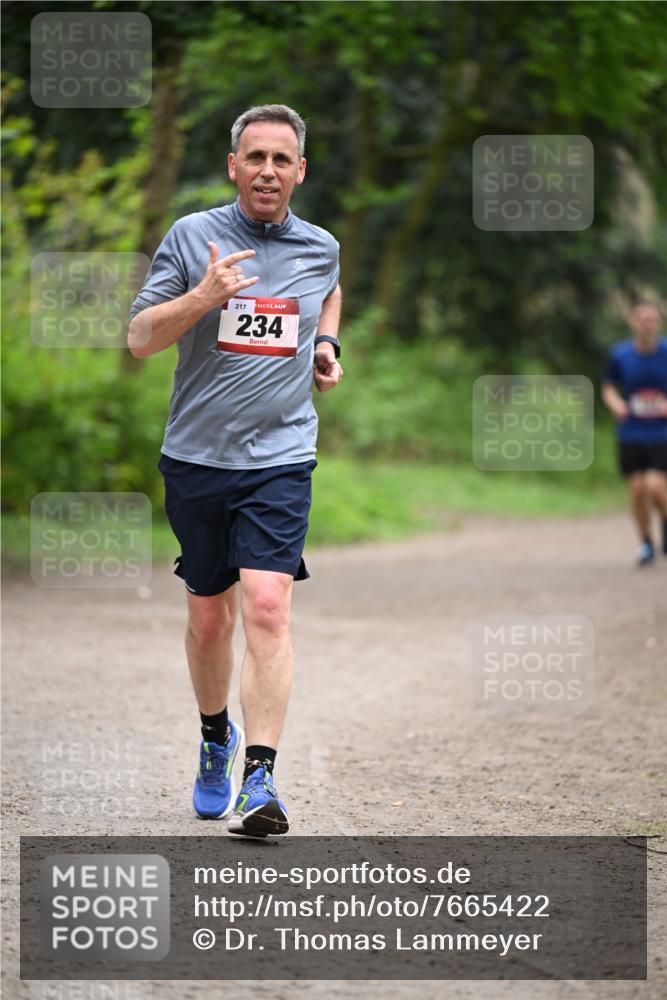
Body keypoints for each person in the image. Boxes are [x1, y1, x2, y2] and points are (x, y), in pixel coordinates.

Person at [127, 105, 343, 836]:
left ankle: (260, 779)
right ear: (233, 166)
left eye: (282, 160)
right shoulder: (193, 237)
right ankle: (214, 733)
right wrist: (203, 297)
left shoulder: (320, 247)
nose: (268, 171)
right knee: (208, 616)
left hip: (281, 458)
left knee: (268, 606)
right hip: (196, 458)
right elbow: (138, 339)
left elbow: (327, 291)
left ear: (300, 172)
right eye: (255, 157)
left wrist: (326, 345)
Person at [602, 301, 667, 566]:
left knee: (655, 485)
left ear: (659, 323)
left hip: (661, 431)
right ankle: (646, 543)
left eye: (652, 320)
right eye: (643, 319)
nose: (647, 324)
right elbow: (608, 387)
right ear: (633, 322)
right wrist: (616, 403)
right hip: (630, 431)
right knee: (637, 490)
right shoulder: (620, 355)